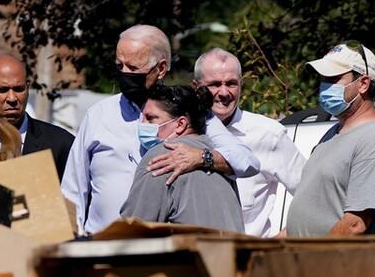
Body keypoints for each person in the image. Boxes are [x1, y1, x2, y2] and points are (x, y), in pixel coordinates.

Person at [61, 24, 259, 235]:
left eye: (134, 68)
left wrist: (201, 157)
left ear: (161, 68)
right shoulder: (98, 115)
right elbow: (73, 190)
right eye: (120, 66)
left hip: (163, 252)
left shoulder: (189, 111)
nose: (124, 74)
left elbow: (247, 161)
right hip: (99, 247)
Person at [285, 42, 375, 236]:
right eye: (323, 78)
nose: (324, 85)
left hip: (332, 265)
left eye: (333, 78)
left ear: (363, 84)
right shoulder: (332, 134)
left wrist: (307, 260)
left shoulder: (374, 139)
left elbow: (355, 224)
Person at [193, 48, 306, 237]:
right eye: (214, 84)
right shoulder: (180, 132)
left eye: (231, 84)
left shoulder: (268, 134)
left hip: (250, 259)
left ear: (241, 85)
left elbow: (314, 197)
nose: (224, 92)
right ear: (196, 87)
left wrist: (280, 242)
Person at [120, 85, 244, 231]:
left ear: (181, 124)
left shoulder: (163, 157)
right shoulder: (220, 160)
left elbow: (133, 229)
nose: (142, 125)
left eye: (151, 119)